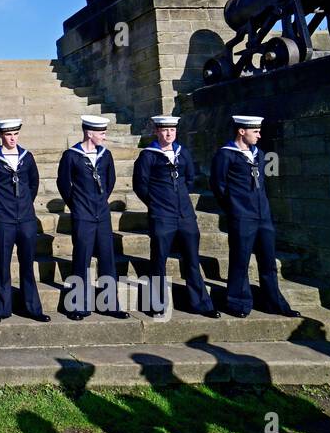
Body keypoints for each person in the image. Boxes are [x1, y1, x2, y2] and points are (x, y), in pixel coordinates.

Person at [210, 115, 301, 319]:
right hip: (242, 216)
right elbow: (218, 185)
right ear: (242, 131)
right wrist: (234, 208)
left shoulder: (259, 154)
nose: (259, 135)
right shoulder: (226, 155)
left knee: (268, 262)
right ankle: (237, 302)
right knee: (240, 260)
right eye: (255, 132)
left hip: (263, 217)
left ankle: (273, 302)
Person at [132, 115, 221, 319]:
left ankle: (200, 303)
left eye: (172, 130)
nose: (169, 133)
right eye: (164, 130)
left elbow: (189, 179)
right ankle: (155, 304)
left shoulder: (183, 153)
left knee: (192, 260)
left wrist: (180, 200)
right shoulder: (148, 156)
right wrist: (156, 204)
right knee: (158, 260)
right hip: (162, 216)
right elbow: (140, 186)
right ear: (156, 131)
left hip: (185, 216)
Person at [56, 115, 128, 320]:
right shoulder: (71, 155)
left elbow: (110, 180)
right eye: (102, 133)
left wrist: (100, 201)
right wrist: (77, 205)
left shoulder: (106, 155)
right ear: (89, 133)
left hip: (102, 214)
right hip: (83, 215)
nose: (104, 137)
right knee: (82, 259)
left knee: (107, 259)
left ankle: (109, 304)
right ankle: (77, 305)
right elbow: (63, 184)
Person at [0, 119, 48, 323]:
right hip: (4, 220)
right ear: (1, 135)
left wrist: (26, 204)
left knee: (27, 263)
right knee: (2, 263)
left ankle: (32, 308)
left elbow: (33, 183)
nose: (12, 138)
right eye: (8, 135)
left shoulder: (27, 157)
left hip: (26, 219)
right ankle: (0, 309)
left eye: (15, 134)